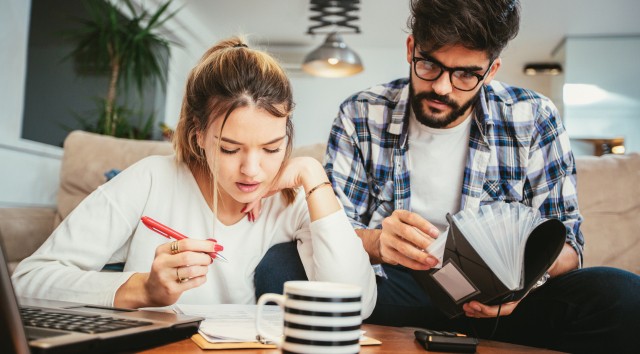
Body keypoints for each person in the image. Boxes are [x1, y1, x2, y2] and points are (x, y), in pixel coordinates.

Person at [254, 1, 640, 353]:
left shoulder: (535, 117)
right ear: (410, 49)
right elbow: (330, 229)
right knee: (280, 267)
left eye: (466, 75)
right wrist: (377, 242)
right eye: (429, 65)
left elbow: (570, 247)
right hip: (393, 287)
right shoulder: (360, 113)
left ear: (491, 71)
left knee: (623, 295)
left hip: (506, 304)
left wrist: (523, 285)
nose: (441, 87)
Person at [11, 37, 376, 318]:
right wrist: (142, 290)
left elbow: (355, 303)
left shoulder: (293, 198)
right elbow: (26, 281)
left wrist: (314, 176)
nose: (252, 170)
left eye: (271, 148)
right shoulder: (152, 179)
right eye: (230, 149)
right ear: (199, 135)